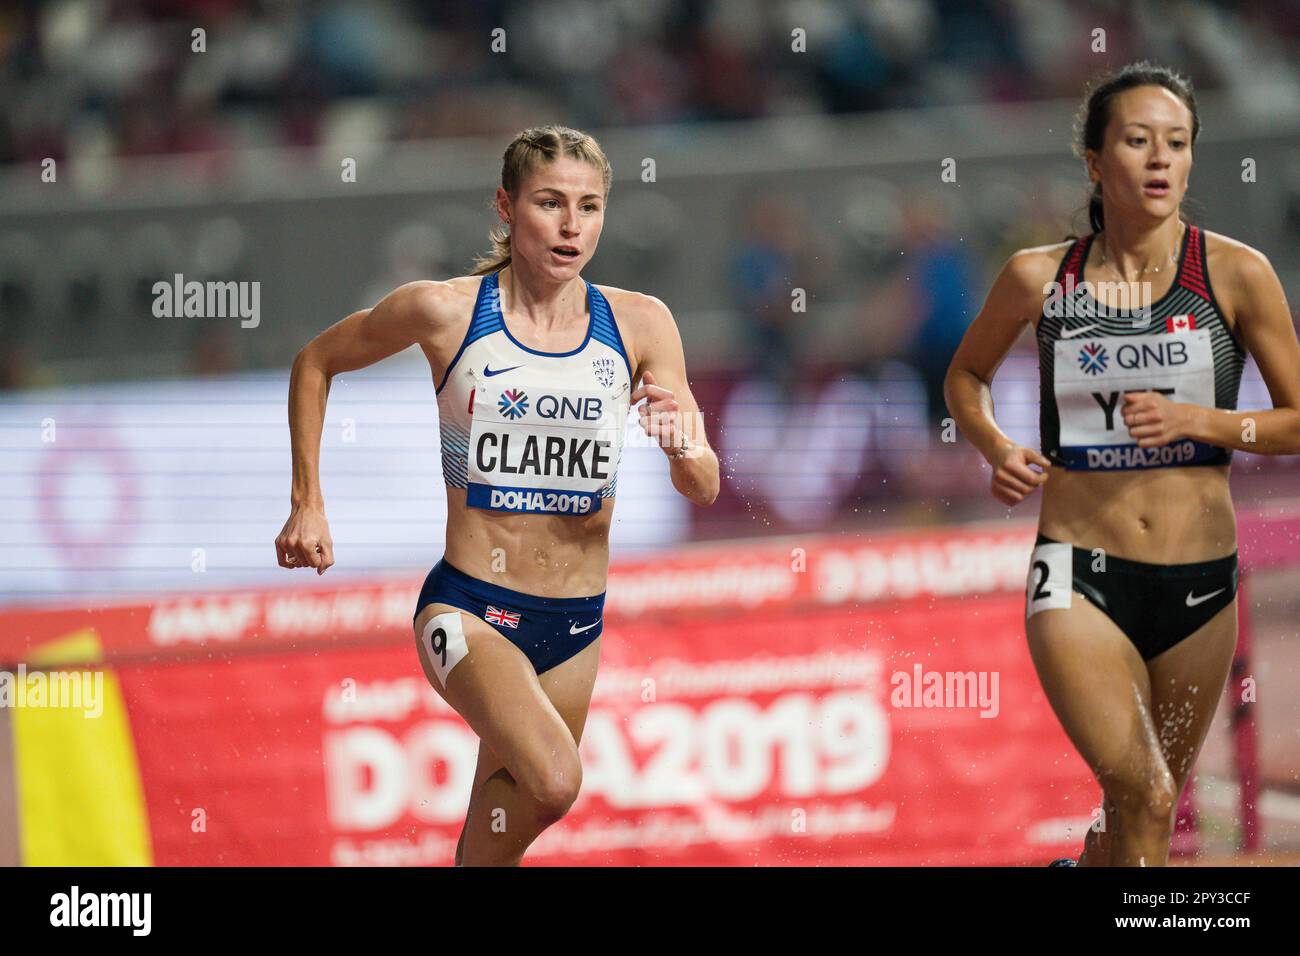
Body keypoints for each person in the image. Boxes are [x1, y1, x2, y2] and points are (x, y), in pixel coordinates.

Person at [275, 125, 719, 865]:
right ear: (507, 209)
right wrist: (307, 501)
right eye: (551, 203)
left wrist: (682, 441)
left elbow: (702, 483)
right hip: (472, 607)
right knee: (553, 781)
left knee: (494, 848)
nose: (573, 225)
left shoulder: (641, 323)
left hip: (578, 620)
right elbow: (315, 362)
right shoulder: (446, 313)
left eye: (591, 206)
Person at [944, 63, 1300, 866]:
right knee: (1144, 793)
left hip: (1201, 584)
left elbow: (1296, 420)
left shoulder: (1235, 274)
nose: (1160, 159)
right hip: (1079, 575)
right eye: (1138, 141)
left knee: (1138, 810)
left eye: (1177, 143)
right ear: (1095, 162)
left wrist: (1201, 420)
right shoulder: (1040, 277)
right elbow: (964, 375)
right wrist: (996, 445)